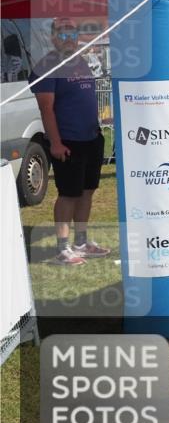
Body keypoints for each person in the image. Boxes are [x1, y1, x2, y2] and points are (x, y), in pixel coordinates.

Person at [30, 18, 111, 265]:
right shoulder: (47, 66)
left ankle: (81, 242)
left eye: (72, 34)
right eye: (62, 35)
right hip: (67, 142)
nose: (68, 39)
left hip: (91, 138)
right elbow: (46, 108)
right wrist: (55, 143)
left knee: (87, 192)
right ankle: (63, 248)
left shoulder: (81, 62)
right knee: (68, 195)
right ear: (53, 38)